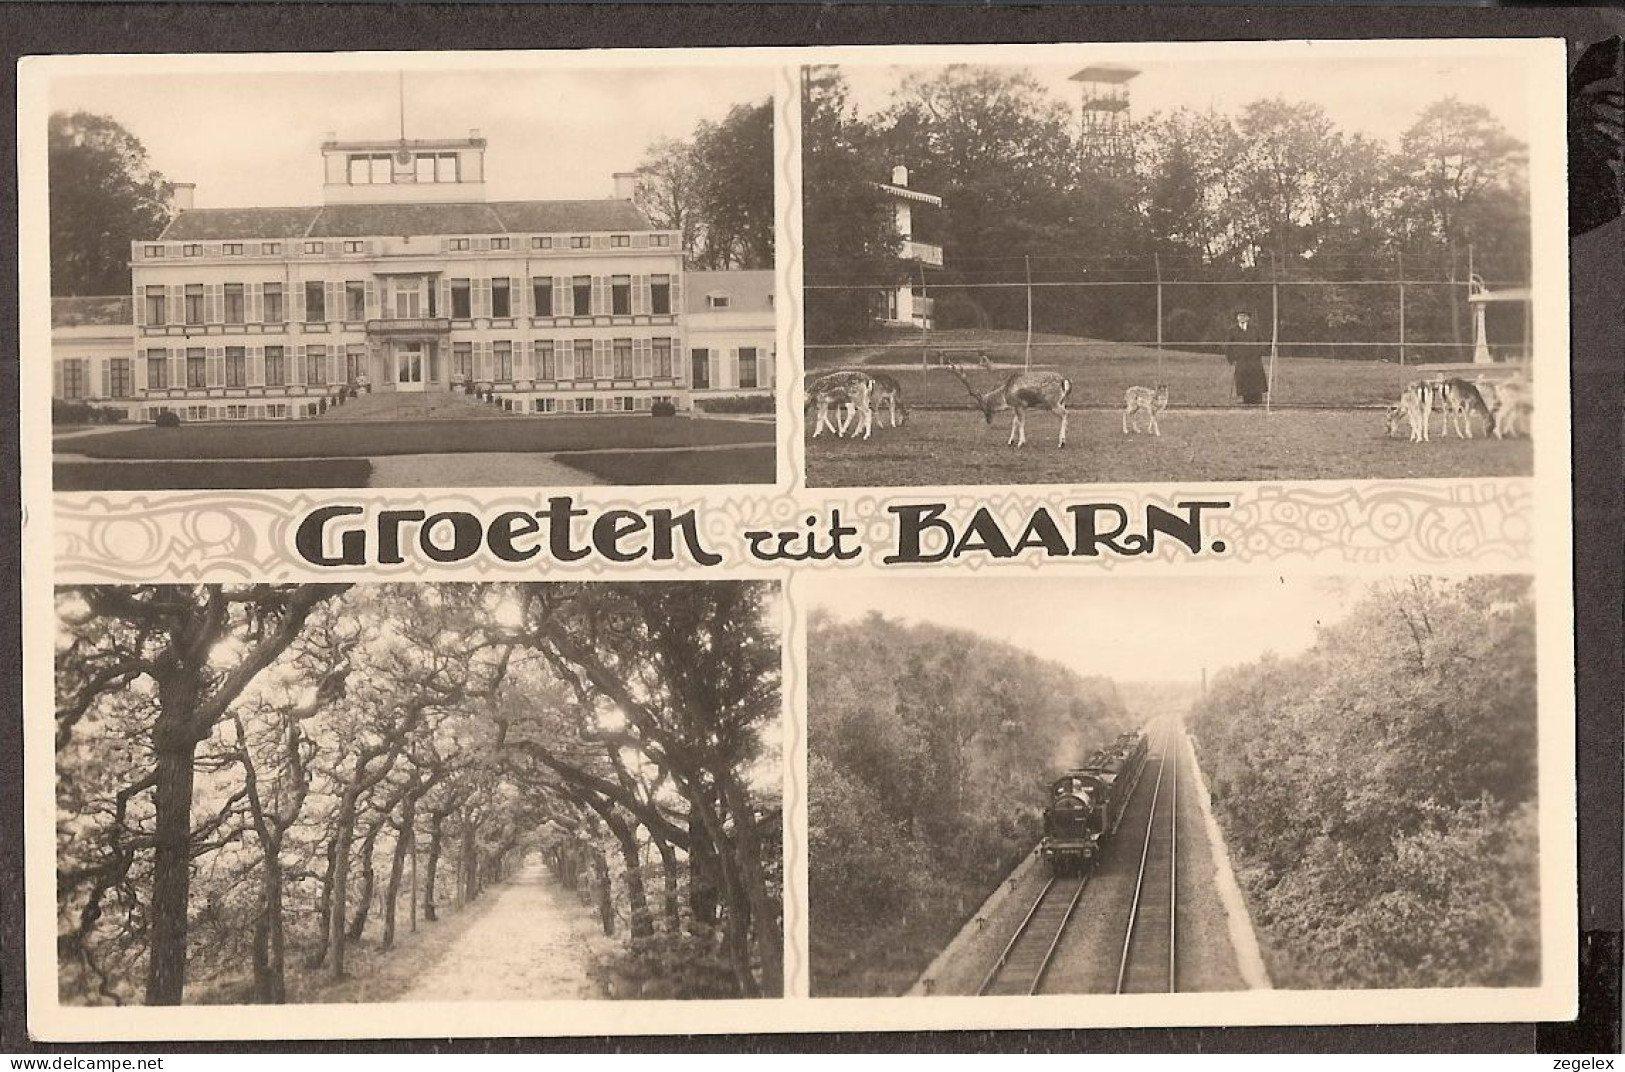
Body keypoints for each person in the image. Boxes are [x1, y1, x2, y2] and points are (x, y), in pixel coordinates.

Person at [1224, 308, 1270, 405]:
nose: (1242, 318)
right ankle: (1246, 402)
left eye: (1244, 316)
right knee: (1244, 382)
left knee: (1256, 381)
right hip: (1241, 360)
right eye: (1240, 316)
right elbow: (1227, 346)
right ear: (1237, 317)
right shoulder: (1232, 330)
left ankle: (1257, 402)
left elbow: (1261, 343)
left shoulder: (1255, 329)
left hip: (1254, 360)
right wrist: (1232, 359)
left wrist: (1258, 353)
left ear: (1248, 318)